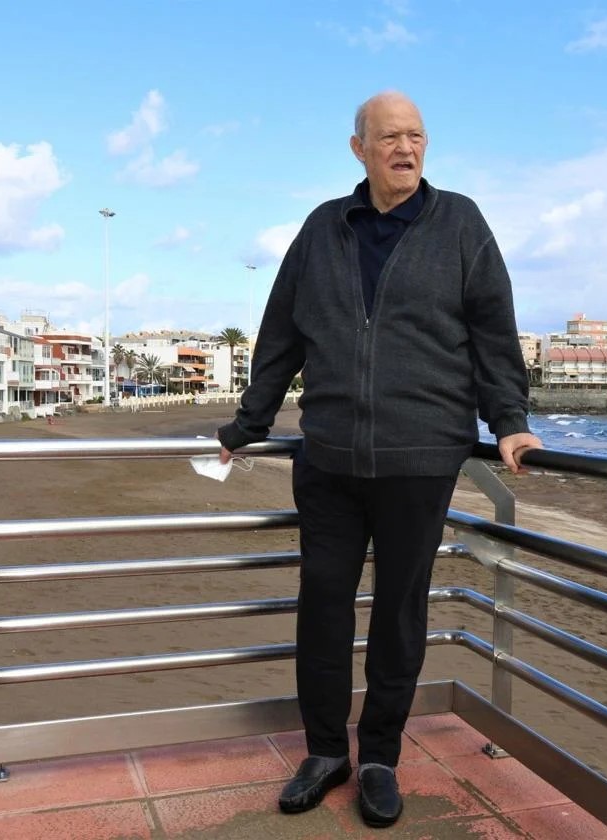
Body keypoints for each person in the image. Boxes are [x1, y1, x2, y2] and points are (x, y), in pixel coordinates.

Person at [218, 90, 541, 829]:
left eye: (418, 136)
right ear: (358, 147)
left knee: (400, 616)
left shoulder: (459, 222)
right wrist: (248, 423)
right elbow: (281, 337)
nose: (407, 148)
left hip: (421, 460)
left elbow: (495, 334)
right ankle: (326, 752)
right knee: (322, 613)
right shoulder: (322, 228)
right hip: (328, 461)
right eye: (391, 136)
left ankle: (380, 759)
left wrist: (511, 422)